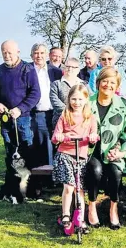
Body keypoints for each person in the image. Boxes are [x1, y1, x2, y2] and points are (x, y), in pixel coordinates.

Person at [86, 67, 126, 230]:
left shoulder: (123, 104)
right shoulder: (87, 102)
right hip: (91, 150)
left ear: (117, 86)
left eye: (112, 82)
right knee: (95, 170)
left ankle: (113, 209)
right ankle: (92, 206)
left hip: (114, 151)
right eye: (105, 81)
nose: (108, 85)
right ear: (99, 83)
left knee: (115, 172)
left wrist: (121, 151)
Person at [0, 40, 41, 201]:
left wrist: (20, 109)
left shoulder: (28, 69)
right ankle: (10, 190)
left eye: (10, 52)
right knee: (9, 154)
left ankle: (31, 190)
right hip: (6, 120)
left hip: (23, 119)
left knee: (27, 153)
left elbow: (35, 94)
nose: (7, 55)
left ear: (18, 52)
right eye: (4, 52)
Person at [52, 84, 98, 235]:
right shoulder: (65, 115)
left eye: (80, 99)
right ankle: (66, 214)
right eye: (73, 99)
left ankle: (81, 218)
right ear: (69, 99)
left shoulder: (90, 117)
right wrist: (59, 136)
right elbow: (55, 136)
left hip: (81, 156)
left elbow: (94, 136)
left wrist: (92, 137)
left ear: (86, 99)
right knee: (70, 187)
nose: (76, 102)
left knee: (80, 189)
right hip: (65, 154)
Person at [30, 43, 62, 167]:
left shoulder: (56, 71)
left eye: (42, 53)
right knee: (37, 144)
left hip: (52, 113)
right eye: (36, 53)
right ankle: (38, 177)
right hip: (33, 112)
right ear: (32, 55)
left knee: (52, 144)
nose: (39, 56)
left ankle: (51, 177)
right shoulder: (27, 70)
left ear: (47, 55)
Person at [50, 57, 87, 129]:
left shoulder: (84, 85)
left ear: (78, 70)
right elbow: (54, 101)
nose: (70, 69)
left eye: (73, 67)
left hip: (80, 124)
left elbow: (88, 101)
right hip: (60, 124)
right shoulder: (56, 84)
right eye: (67, 66)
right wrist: (70, 113)